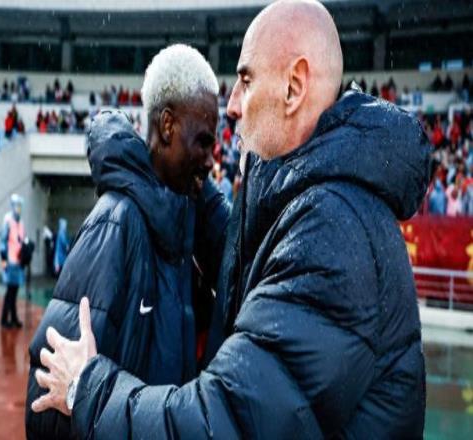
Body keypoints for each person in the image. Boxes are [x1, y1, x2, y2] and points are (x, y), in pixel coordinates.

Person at [32, 1, 430, 438]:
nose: (234, 104)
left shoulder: (333, 229)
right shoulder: (318, 205)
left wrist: (87, 389)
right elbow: (239, 257)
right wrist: (162, 170)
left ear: (294, 87)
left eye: (246, 80)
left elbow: (220, 422)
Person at [26, 44, 228, 439]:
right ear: (167, 125)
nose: (211, 159)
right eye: (203, 142)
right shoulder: (117, 224)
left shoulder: (181, 225)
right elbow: (46, 398)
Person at [0, 194, 26, 328]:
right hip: (10, 261)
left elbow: (21, 240)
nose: (19, 209)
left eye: (20, 206)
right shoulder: (8, 220)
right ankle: (4, 320)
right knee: (10, 291)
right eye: (17, 206)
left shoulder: (21, 222)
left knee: (14, 291)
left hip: (19, 262)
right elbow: (3, 240)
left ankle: (14, 318)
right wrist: (3, 258)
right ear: (12, 206)